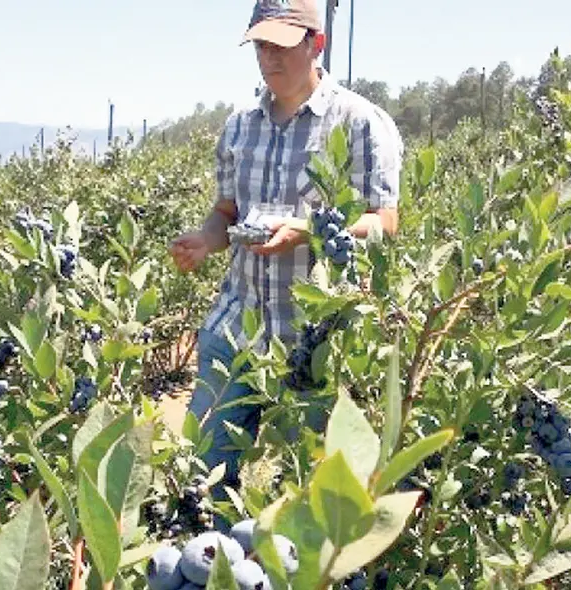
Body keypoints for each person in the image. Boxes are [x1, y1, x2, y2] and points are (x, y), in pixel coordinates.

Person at [168, 0, 403, 519]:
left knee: (306, 494)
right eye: (260, 45)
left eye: (281, 44)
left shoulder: (361, 123)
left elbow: (384, 223)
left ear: (315, 44)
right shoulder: (238, 127)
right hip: (235, 325)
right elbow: (226, 212)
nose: (268, 57)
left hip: (312, 342)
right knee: (201, 480)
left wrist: (307, 231)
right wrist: (208, 239)